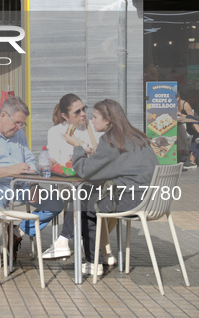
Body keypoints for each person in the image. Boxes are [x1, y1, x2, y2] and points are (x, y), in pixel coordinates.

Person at [63, 99, 158, 276]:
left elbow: (86, 171)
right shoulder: (138, 136)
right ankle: (97, 253)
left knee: (86, 205)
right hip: (153, 200)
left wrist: (77, 146)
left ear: (108, 120)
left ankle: (92, 261)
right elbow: (119, 167)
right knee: (90, 196)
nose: (92, 120)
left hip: (132, 199)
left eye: (95, 117)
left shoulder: (111, 139)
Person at [0, 96, 62, 264]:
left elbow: (30, 163)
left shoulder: (19, 135)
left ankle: (17, 233)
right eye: (17, 123)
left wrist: (33, 184)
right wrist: (9, 170)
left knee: (56, 202)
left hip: (20, 186)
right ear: (3, 115)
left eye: (22, 124)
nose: (19, 128)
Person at [42, 93, 109, 261]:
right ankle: (87, 247)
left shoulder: (93, 127)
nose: (83, 114)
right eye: (77, 112)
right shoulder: (56, 132)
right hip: (68, 183)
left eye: (84, 109)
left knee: (84, 192)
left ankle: (64, 240)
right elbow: (55, 160)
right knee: (81, 192)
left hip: (95, 183)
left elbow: (104, 155)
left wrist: (90, 154)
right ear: (65, 115)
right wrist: (69, 160)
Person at [176, 91, 198, 168]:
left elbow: (192, 118)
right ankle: (191, 160)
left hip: (186, 126)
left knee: (188, 121)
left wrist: (182, 115)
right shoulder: (165, 105)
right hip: (171, 125)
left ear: (178, 98)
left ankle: (189, 158)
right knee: (197, 136)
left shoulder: (184, 104)